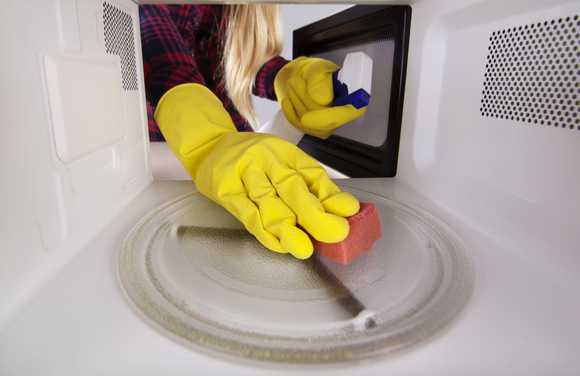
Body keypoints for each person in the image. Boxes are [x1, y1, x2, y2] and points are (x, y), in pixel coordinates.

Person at [140, 4, 366, 260]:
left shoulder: (237, 10)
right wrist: (209, 141)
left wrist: (287, 76)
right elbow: (156, 44)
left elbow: (240, 55)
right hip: (163, 150)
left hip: (231, 148)